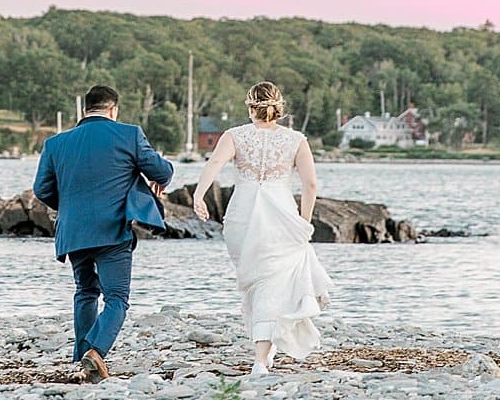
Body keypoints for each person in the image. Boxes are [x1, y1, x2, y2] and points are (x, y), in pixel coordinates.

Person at [32, 84, 175, 382]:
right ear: (113, 109)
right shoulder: (129, 134)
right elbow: (162, 173)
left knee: (85, 292)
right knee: (117, 298)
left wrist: (71, 205)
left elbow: (41, 190)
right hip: (112, 230)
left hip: (73, 230)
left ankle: (80, 358)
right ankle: (95, 351)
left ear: (85, 109)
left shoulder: (56, 143)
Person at [191, 80, 333, 375]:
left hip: (242, 216)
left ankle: (263, 351)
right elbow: (310, 184)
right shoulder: (296, 140)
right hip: (280, 214)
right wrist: (304, 221)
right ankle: (261, 357)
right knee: (273, 282)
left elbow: (214, 163)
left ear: (250, 106)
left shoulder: (234, 136)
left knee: (257, 283)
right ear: (279, 107)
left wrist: (198, 194)